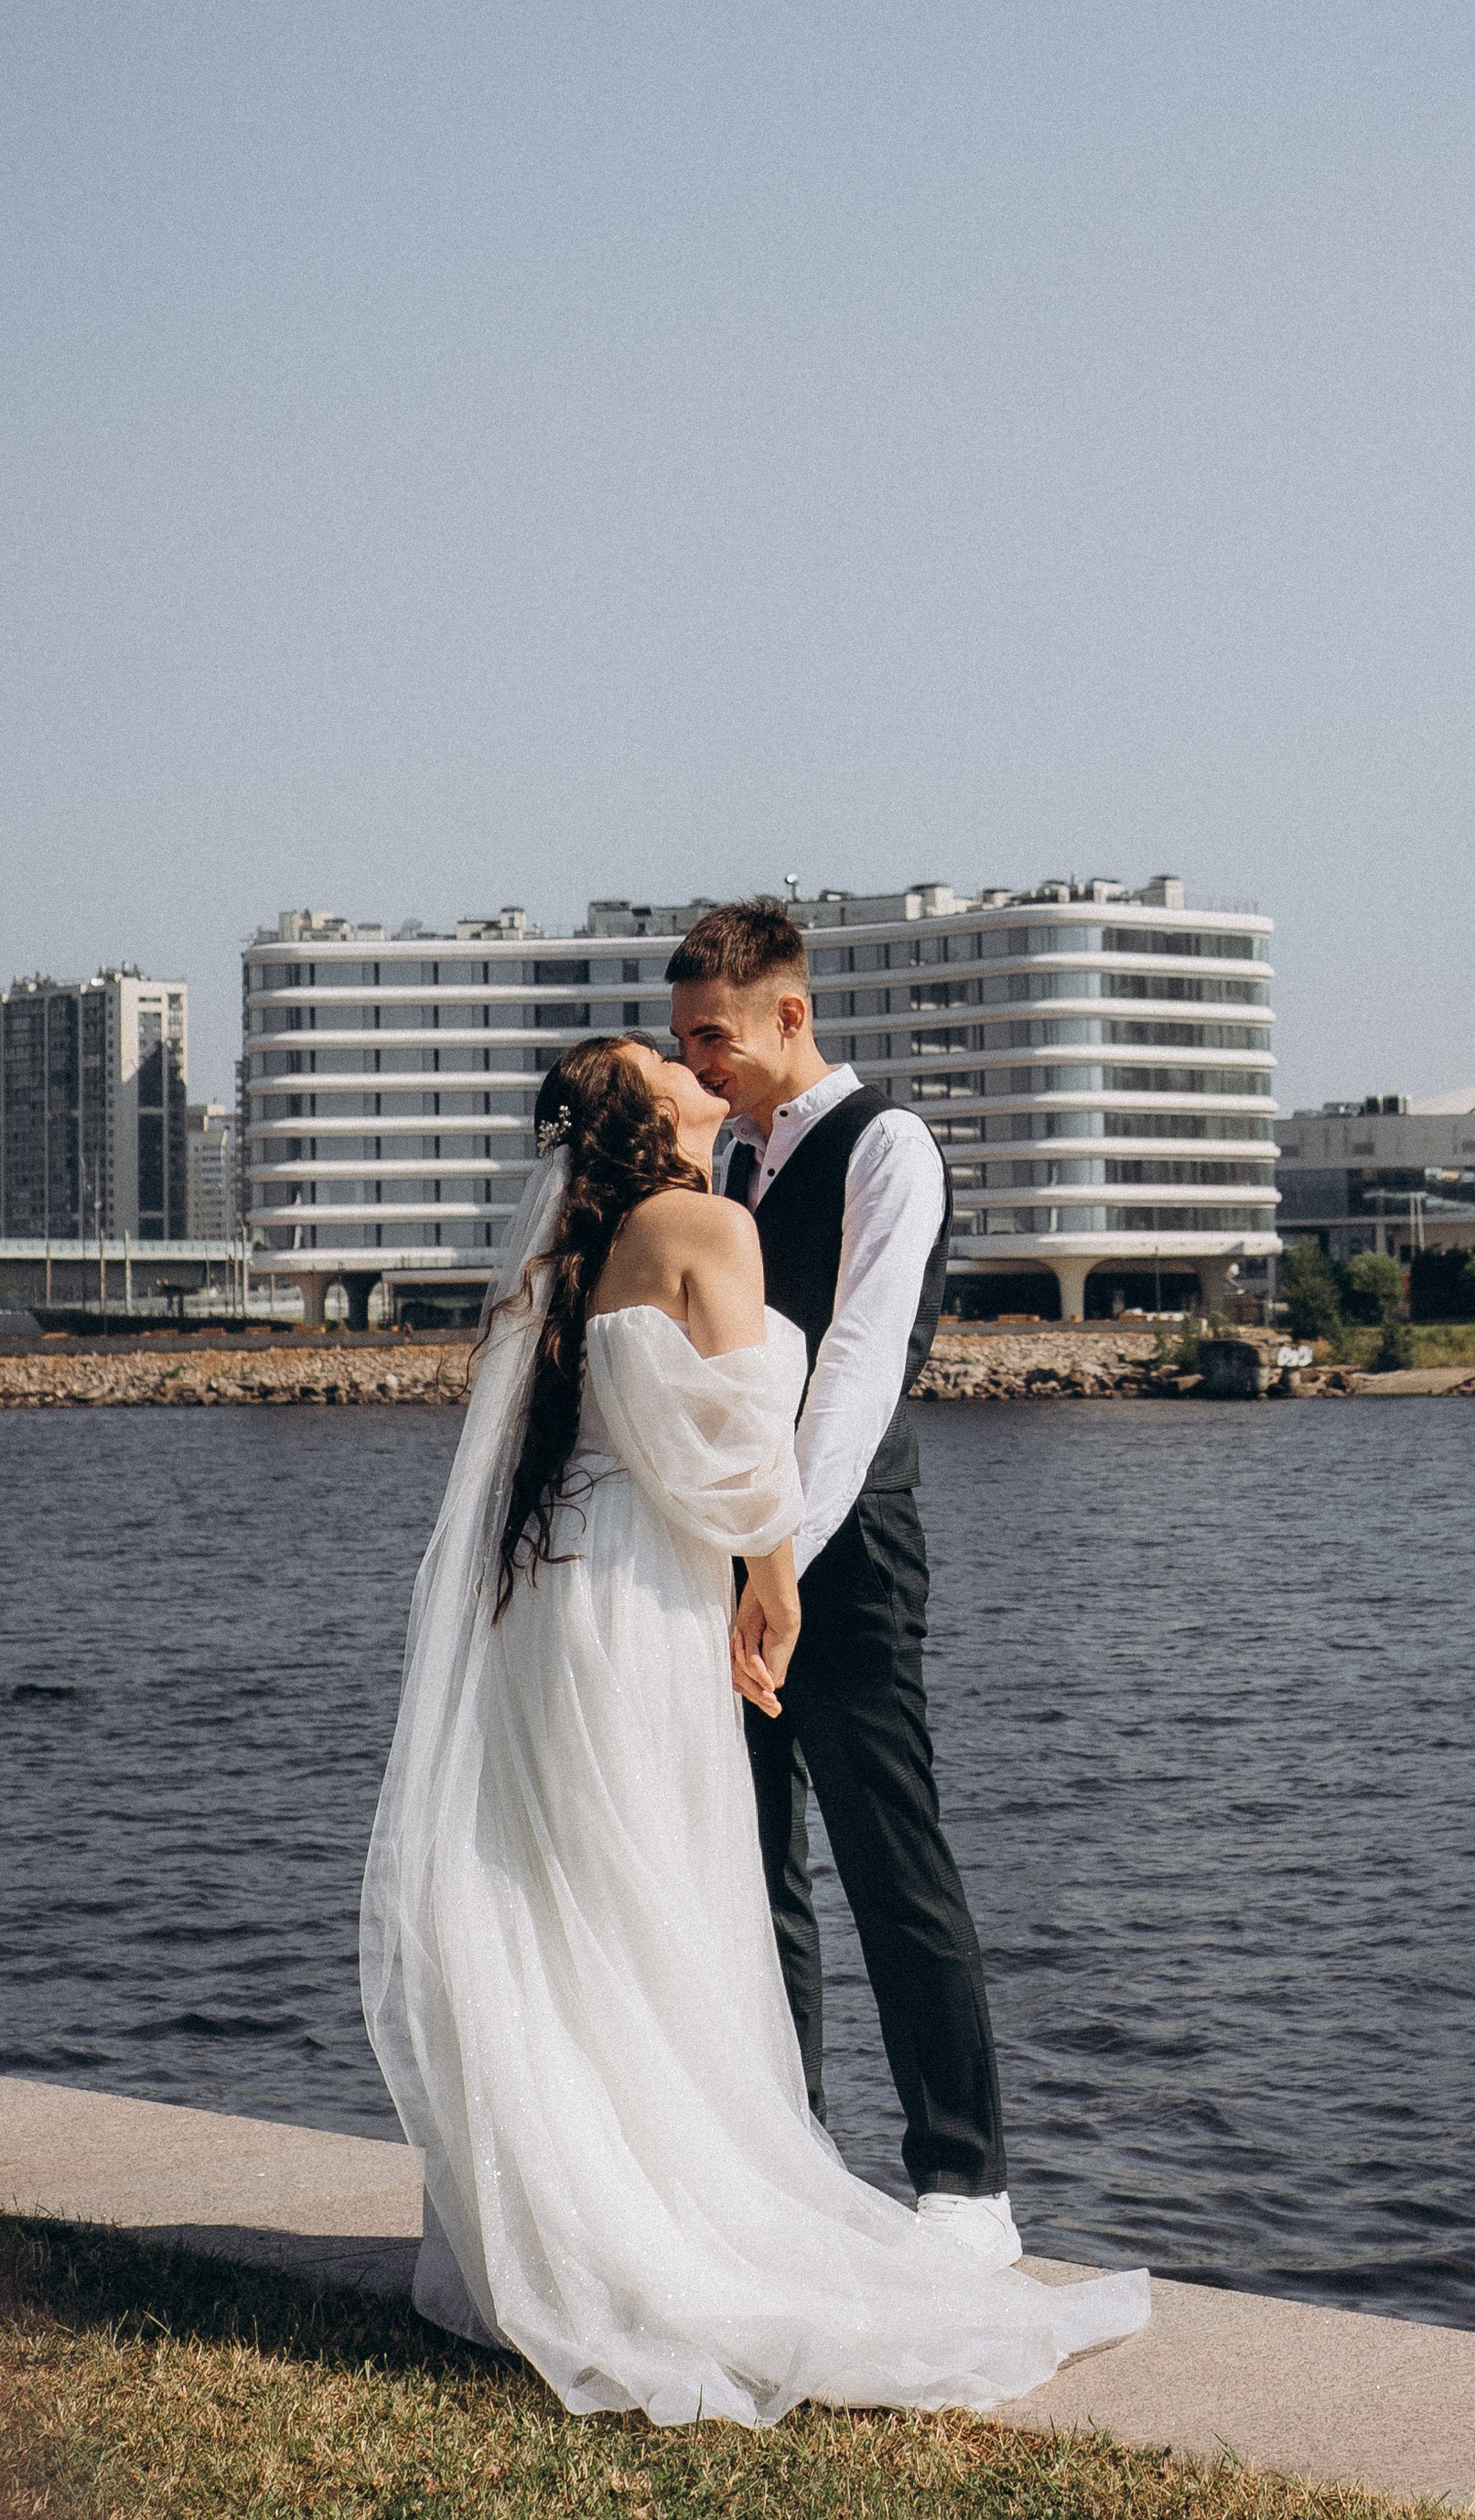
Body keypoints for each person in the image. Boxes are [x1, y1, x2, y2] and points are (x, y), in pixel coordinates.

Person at [361, 1030, 1145, 2426]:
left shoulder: (562, 1257)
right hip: (653, 1594)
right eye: (664, 1062)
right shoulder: (705, 1222)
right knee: (666, 1884)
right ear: (648, 1111)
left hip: (552, 1599)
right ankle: (681, 2216)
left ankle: (569, 2211)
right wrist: (770, 1590)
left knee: (571, 1894)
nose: (688, 1062)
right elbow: (743, 1451)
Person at [662, 899, 1017, 2265]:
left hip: (846, 1558)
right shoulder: (724, 1165)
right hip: (734, 1561)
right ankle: (789, 2155)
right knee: (756, 1875)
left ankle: (967, 2187)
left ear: (789, 1015)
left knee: (891, 1860)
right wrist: (732, 1562)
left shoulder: (891, 1148)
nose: (701, 1065)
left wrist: (782, 1567)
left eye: (716, 1039)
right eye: (688, 1041)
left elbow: (861, 1374)